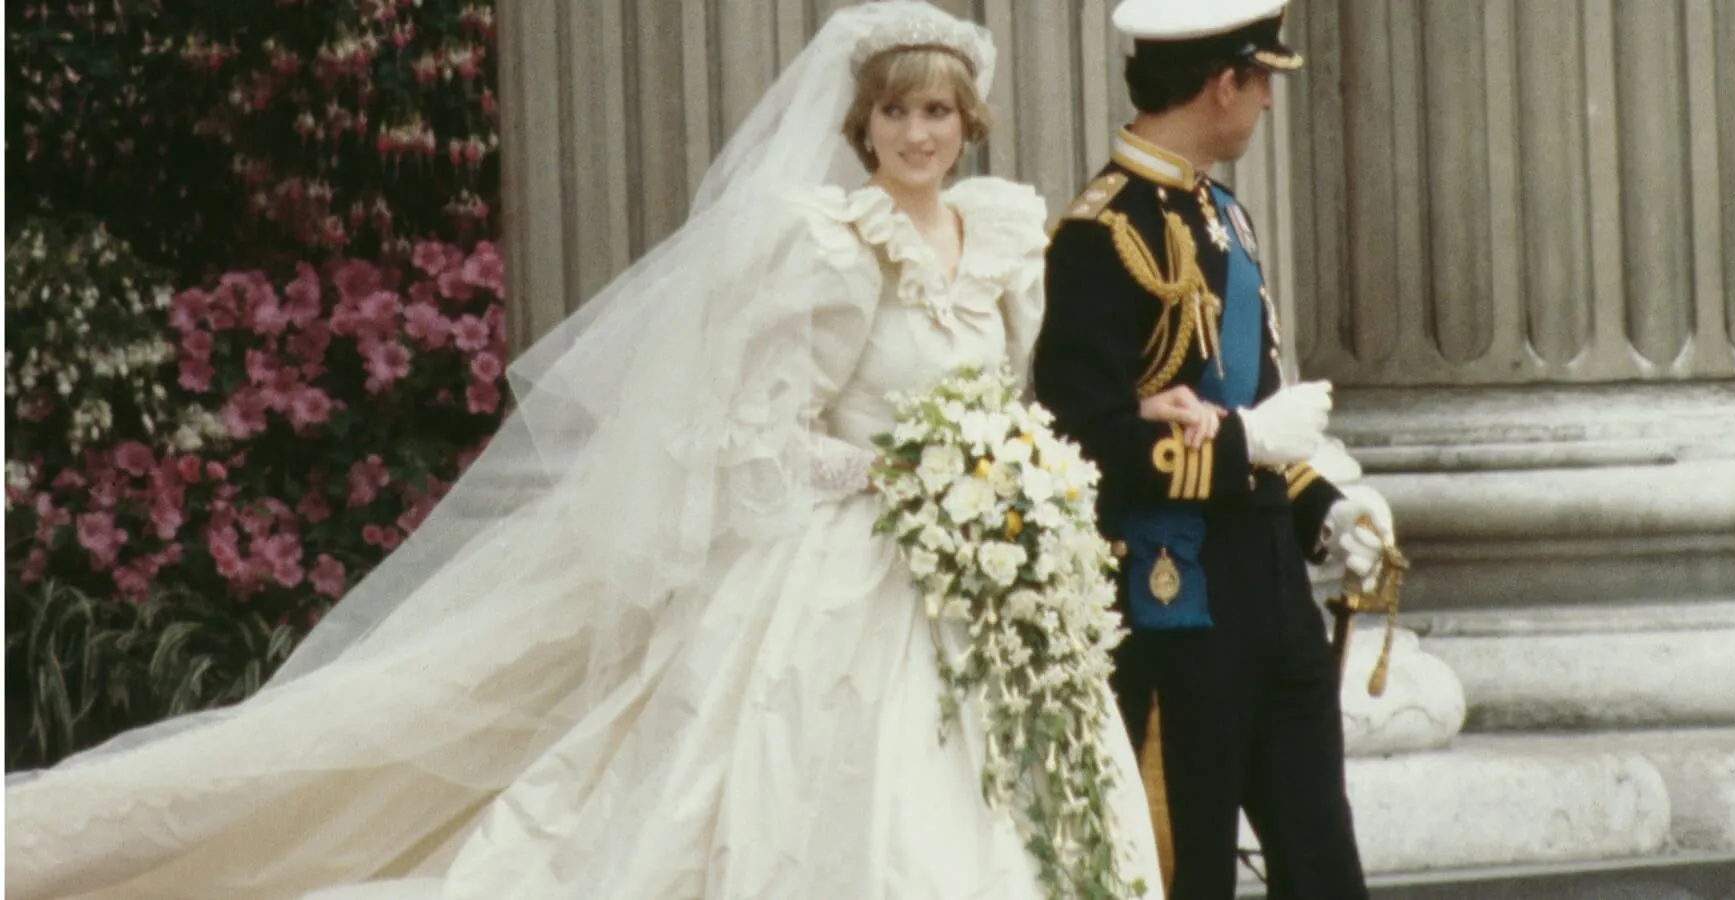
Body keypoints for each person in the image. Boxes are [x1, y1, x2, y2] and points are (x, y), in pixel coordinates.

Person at [4, 4, 1163, 898]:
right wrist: (909, 477)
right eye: (899, 114)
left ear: (971, 126)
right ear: (862, 125)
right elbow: (767, 434)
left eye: (940, 115)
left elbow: (1026, 392)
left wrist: (1011, 467)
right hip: (849, 562)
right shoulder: (828, 245)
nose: (920, 135)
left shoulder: (1004, 235)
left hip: (983, 562)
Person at [1030, 1, 1396, 897]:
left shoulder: (1224, 215)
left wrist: (1324, 509)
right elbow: (1079, 441)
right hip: (1175, 606)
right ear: (1224, 80)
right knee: (1188, 874)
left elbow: (1256, 413)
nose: (1270, 102)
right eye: (1264, 78)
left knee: (1322, 867)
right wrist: (1241, 447)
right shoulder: (1099, 233)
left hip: (1273, 593)